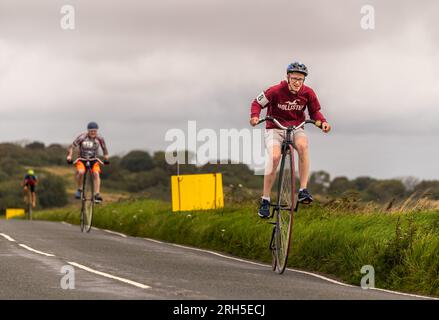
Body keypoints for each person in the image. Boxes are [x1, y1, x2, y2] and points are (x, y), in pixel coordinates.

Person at [250, 61, 331, 218]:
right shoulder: (275, 90)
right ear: (288, 77)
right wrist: (254, 117)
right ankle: (265, 200)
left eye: (300, 79)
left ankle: (303, 190)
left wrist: (323, 123)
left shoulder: (308, 93)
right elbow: (257, 103)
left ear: (304, 80)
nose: (297, 82)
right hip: (274, 128)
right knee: (274, 156)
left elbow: (315, 112)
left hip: (296, 128)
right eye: (294, 78)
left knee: (302, 145)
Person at [66, 122, 109, 203]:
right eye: (91, 131)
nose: (93, 133)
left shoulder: (100, 138)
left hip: (93, 159)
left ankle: (97, 194)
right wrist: (69, 156)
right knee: (81, 172)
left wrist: (106, 157)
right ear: (88, 131)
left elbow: (104, 148)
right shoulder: (82, 137)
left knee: (96, 173)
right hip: (82, 159)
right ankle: (79, 189)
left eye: (94, 131)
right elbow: (71, 147)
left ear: (97, 131)